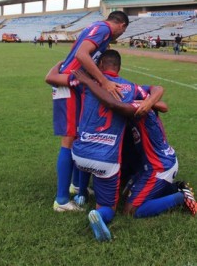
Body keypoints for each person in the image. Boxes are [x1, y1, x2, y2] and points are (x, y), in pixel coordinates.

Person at [70, 50, 164, 241]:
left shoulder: (86, 81)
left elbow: (54, 78)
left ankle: (80, 193)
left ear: (101, 64)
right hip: (106, 160)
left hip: (78, 155)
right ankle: (100, 213)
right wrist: (149, 102)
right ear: (119, 68)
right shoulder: (130, 87)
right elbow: (158, 92)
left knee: (92, 162)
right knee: (108, 207)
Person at [46, 11, 129, 212]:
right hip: (69, 85)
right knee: (69, 139)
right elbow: (81, 54)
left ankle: (76, 185)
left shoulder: (98, 29)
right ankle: (62, 201)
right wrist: (104, 81)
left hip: (71, 83)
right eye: (123, 31)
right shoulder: (104, 29)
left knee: (76, 136)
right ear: (121, 25)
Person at [122, 102, 197, 219]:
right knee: (126, 193)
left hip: (158, 166)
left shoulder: (140, 107)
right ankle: (174, 188)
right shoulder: (144, 104)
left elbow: (161, 100)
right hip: (161, 160)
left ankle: (180, 197)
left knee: (130, 211)